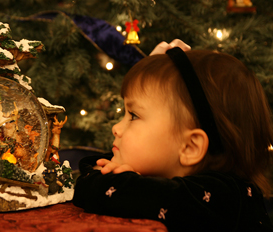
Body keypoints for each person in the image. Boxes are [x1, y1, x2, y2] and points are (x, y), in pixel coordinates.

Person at [72, 40, 273, 232]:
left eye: (133, 115)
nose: (116, 128)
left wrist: (107, 174)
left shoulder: (221, 198)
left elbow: (94, 190)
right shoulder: (188, 191)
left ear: (190, 147)